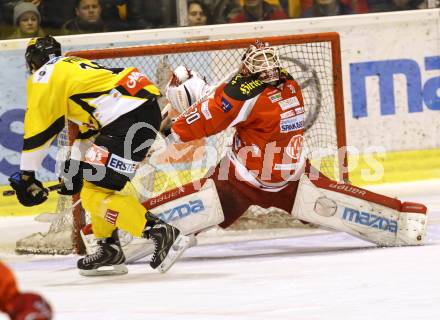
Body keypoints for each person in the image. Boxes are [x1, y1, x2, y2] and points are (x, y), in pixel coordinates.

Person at [164, 40, 428, 247]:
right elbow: (226, 105)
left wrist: (173, 130)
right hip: (292, 176)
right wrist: (214, 97)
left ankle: (134, 234)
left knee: (186, 211)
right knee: (343, 200)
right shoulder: (289, 82)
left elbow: (212, 116)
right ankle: (404, 220)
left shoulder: (243, 94)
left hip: (243, 180)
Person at [8, 35, 191, 276]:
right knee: (100, 188)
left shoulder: (44, 75)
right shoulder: (73, 69)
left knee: (94, 193)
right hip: (142, 111)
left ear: (32, 64)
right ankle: (109, 249)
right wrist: (74, 168)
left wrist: (27, 175)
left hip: (126, 119)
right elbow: (89, 129)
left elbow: (39, 129)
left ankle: (160, 232)